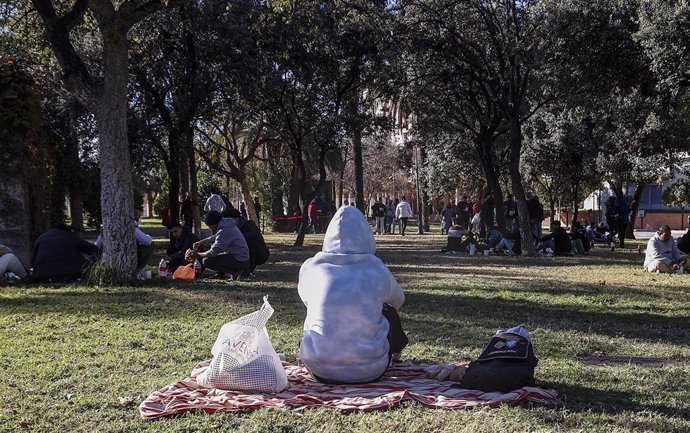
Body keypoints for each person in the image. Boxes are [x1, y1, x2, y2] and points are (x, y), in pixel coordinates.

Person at [298, 206, 408, 383]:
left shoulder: (311, 267)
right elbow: (398, 300)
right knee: (389, 312)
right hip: (371, 369)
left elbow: (306, 300)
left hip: (318, 368)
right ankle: (396, 356)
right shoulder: (376, 268)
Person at [96, 206, 154, 278]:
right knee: (151, 246)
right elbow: (147, 241)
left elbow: (97, 245)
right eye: (135, 214)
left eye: (139, 216)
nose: (137, 217)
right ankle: (138, 270)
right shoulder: (130, 224)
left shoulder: (112, 224)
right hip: (113, 256)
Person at [191, 211, 250, 278]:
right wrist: (201, 242)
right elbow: (216, 236)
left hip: (239, 260)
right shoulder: (227, 224)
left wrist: (198, 255)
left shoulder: (224, 230)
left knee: (207, 261)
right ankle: (222, 274)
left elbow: (213, 252)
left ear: (213, 224)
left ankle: (235, 273)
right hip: (242, 258)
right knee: (219, 256)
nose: (210, 228)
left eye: (209, 226)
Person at [32, 224, 99, 281]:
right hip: (68, 272)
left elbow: (33, 258)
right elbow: (93, 249)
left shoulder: (41, 237)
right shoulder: (71, 236)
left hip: (41, 273)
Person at [227, 208, 270, 276]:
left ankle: (249, 269)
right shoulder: (230, 227)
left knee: (250, 245)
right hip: (241, 254)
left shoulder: (249, 224)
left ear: (237, 218)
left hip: (259, 252)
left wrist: (239, 237)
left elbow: (256, 236)